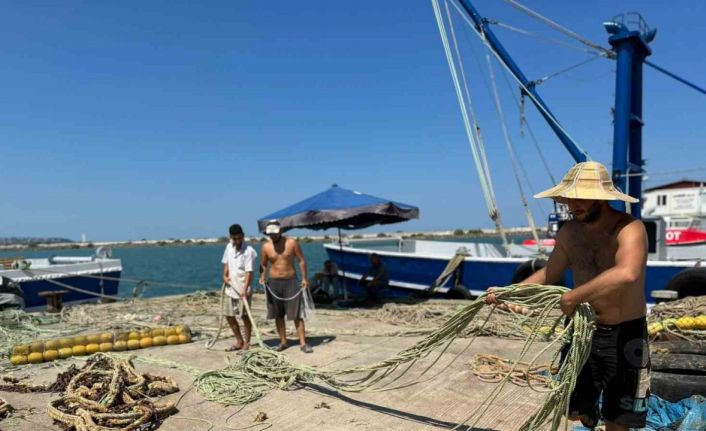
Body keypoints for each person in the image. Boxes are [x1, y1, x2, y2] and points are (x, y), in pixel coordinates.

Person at [487, 161, 649, 431]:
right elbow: (549, 274)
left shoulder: (630, 228)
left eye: (578, 198)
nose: (571, 205)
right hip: (581, 331)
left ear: (601, 197)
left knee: (619, 419)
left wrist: (573, 297)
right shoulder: (569, 232)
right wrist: (510, 293)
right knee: (574, 411)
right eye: (567, 199)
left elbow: (627, 273)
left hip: (625, 335)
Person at [258, 220, 313, 353]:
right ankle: (283, 341)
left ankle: (303, 343)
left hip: (291, 281)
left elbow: (301, 260)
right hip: (274, 282)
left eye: (275, 234)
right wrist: (262, 276)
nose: (273, 236)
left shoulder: (292, 243)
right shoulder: (266, 247)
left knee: (296, 314)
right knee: (278, 315)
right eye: (270, 234)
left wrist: (305, 278)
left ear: (281, 231)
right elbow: (263, 264)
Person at [221, 224, 257, 351]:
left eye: (239, 238)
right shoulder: (228, 247)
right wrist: (225, 276)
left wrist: (245, 289)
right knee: (229, 316)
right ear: (231, 237)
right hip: (230, 288)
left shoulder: (249, 251)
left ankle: (247, 342)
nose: (237, 241)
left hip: (243, 288)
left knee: (245, 316)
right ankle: (239, 341)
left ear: (243, 236)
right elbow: (226, 263)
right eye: (235, 239)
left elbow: (249, 272)